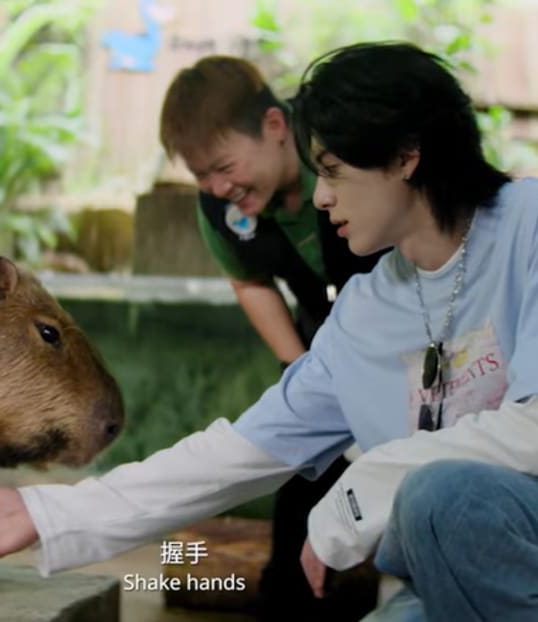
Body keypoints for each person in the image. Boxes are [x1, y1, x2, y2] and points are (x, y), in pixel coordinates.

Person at [0, 41, 538, 622]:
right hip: (449, 580)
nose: (323, 194)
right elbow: (233, 455)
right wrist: (50, 513)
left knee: (440, 494)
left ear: (405, 156)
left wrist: (359, 493)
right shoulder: (364, 313)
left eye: (333, 170)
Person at [157, 55, 382, 620]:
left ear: (276, 128)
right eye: (201, 175)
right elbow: (249, 279)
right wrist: (300, 368)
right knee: (305, 470)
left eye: (224, 167)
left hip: (400, 315)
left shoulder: (342, 147)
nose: (216, 187)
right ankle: (289, 600)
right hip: (321, 328)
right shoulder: (220, 203)